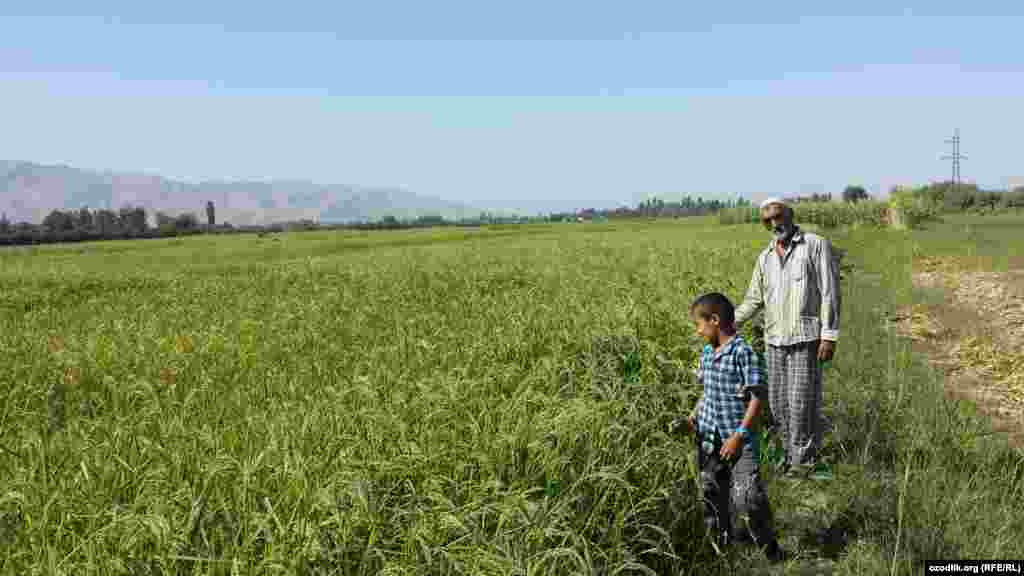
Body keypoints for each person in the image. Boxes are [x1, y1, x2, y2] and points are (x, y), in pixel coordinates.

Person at [734, 197, 841, 479]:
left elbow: (829, 292)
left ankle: (802, 462)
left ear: (790, 215)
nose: (774, 223)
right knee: (779, 403)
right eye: (767, 220)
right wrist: (725, 324)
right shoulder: (765, 258)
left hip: (805, 338)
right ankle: (789, 455)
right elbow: (753, 301)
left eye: (778, 216)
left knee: (801, 402)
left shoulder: (814, 245)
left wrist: (828, 335)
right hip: (774, 340)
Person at [675, 292, 784, 562]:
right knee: (711, 494)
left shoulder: (742, 352)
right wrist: (691, 419)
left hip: (739, 440)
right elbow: (707, 394)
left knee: (748, 497)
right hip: (709, 439)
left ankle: (769, 546)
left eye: (699, 324)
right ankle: (720, 548)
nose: (697, 331)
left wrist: (739, 435)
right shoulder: (707, 353)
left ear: (715, 320)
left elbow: (758, 397)